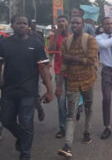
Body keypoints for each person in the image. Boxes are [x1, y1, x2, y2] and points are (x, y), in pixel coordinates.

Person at [0, 15, 54, 160]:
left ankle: (25, 155)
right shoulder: (4, 44)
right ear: (12, 26)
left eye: (25, 23)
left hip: (28, 91)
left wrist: (49, 90)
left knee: (26, 123)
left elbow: (43, 69)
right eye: (19, 23)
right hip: (8, 91)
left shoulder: (36, 44)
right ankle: (21, 137)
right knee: (6, 120)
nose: (23, 25)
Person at [56, 16, 98, 157]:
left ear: (83, 24)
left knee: (88, 107)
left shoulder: (90, 40)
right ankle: (68, 145)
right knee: (70, 113)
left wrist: (72, 59)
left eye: (77, 23)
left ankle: (87, 131)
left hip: (88, 80)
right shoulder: (66, 42)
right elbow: (63, 65)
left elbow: (91, 61)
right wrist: (59, 85)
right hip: (72, 82)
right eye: (72, 23)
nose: (74, 25)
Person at [48, 15, 69, 138]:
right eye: (59, 21)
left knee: (73, 101)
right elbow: (50, 50)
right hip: (59, 72)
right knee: (61, 101)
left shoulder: (73, 35)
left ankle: (74, 115)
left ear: (67, 22)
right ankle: (63, 127)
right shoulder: (55, 35)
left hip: (73, 73)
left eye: (63, 21)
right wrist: (56, 35)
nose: (61, 23)